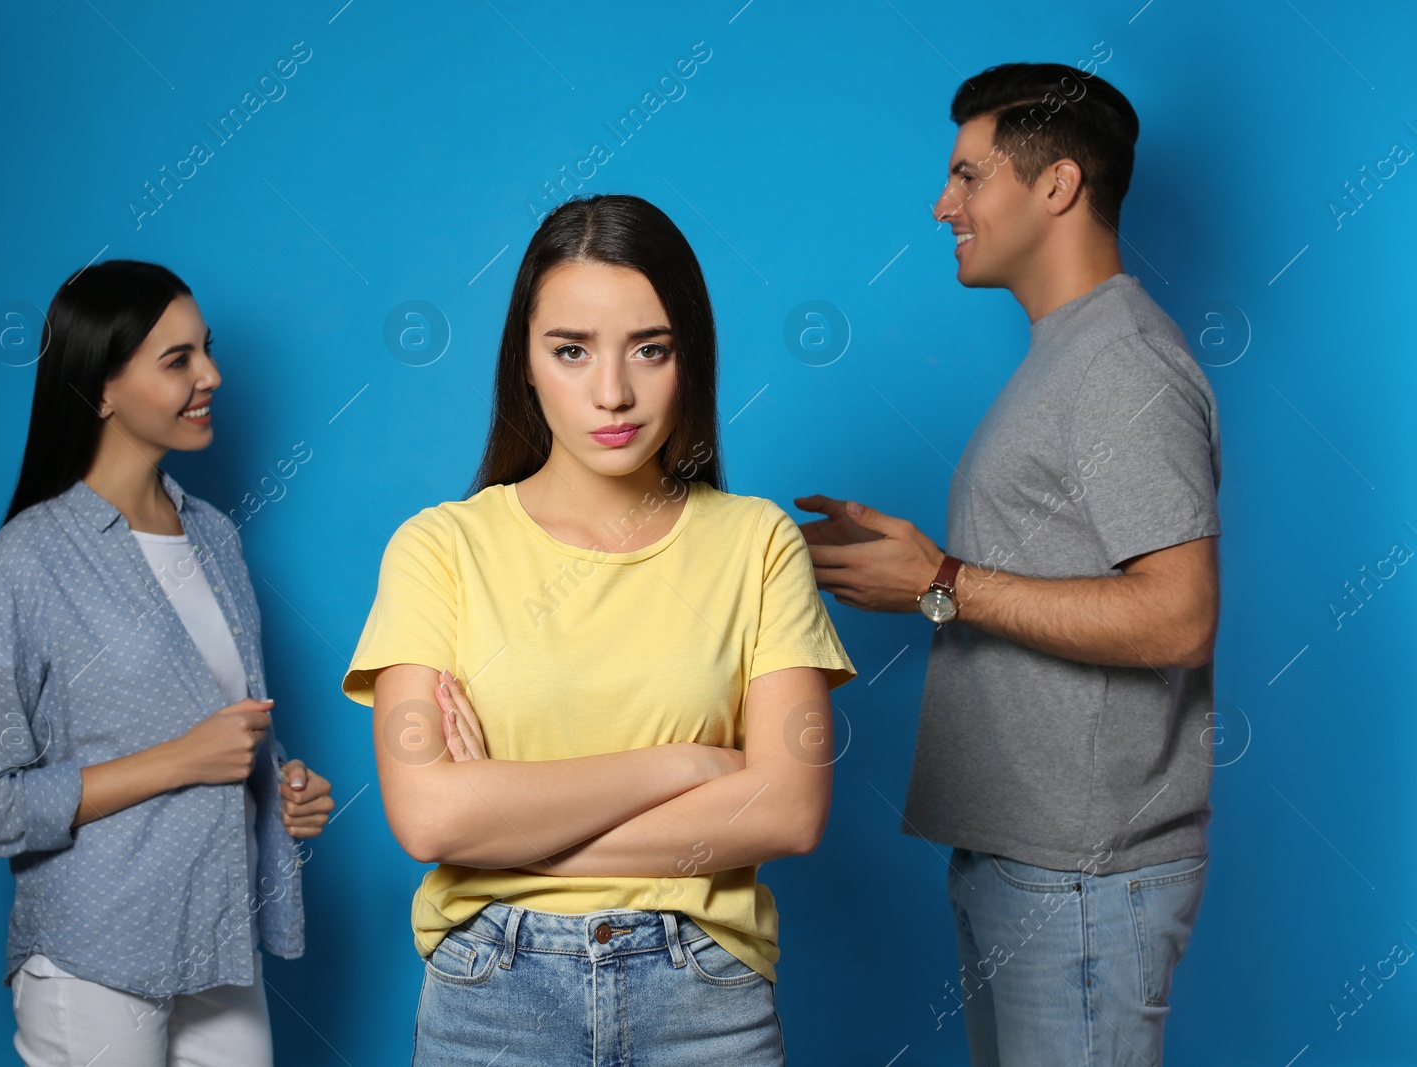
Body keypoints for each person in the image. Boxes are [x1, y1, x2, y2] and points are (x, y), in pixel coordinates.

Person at [344, 194, 854, 1065]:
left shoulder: (756, 541)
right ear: (526, 365)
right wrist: (684, 765)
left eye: (649, 349)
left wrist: (508, 819)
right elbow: (430, 818)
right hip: (492, 998)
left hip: (705, 999)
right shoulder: (441, 547)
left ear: (688, 356)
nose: (612, 392)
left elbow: (790, 807)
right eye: (571, 350)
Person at [797, 63, 1221, 1065]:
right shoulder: (1064, 355)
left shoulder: (1121, 360)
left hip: (1084, 878)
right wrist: (908, 571)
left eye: (967, 175)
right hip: (1030, 866)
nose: (942, 203)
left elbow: (1177, 615)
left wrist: (941, 580)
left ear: (1057, 186)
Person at [0, 259, 335, 1066]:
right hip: (96, 950)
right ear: (104, 386)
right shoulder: (26, 560)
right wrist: (179, 761)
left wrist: (283, 783)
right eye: (178, 359)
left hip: (221, 933)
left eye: (207, 351)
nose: (212, 376)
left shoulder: (217, 538)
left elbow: (229, 723)